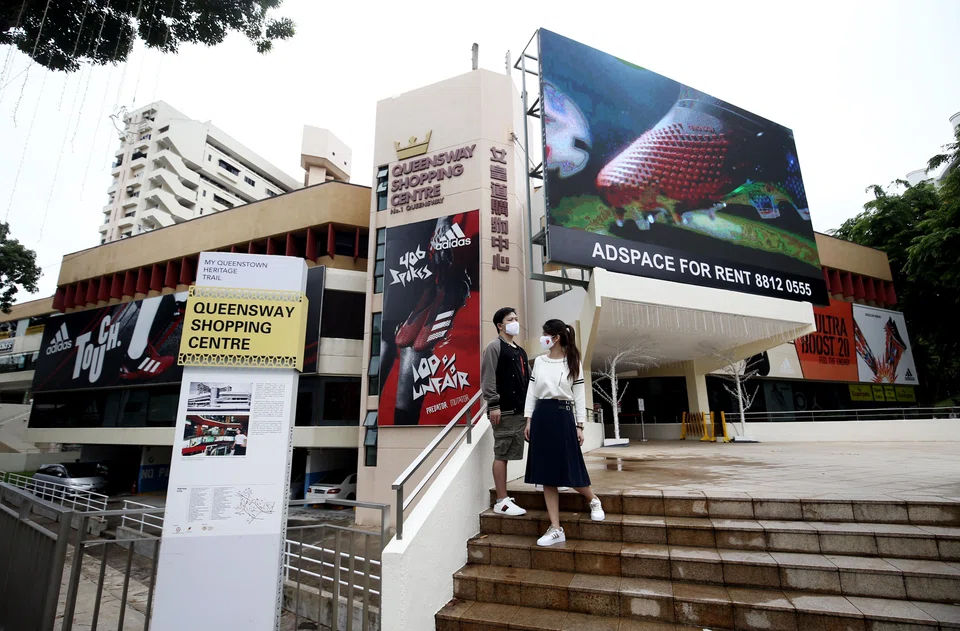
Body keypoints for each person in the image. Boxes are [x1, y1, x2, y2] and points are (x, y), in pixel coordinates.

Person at [524, 319, 604, 546]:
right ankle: (556, 528)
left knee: (570, 465)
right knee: (547, 473)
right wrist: (528, 420)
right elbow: (532, 392)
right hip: (541, 416)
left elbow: (579, 396)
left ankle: (593, 499)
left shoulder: (572, 361)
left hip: (563, 415)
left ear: (555, 337)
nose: (543, 338)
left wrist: (580, 425)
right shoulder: (539, 361)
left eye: (545, 334)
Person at [481, 307, 530, 516]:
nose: (515, 322)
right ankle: (501, 500)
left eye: (516, 318)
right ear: (500, 325)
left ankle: (545, 482)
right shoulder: (494, 347)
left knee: (533, 446)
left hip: (522, 410)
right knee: (502, 453)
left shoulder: (520, 350)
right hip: (505, 411)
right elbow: (488, 377)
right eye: (511, 319)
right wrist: (493, 404)